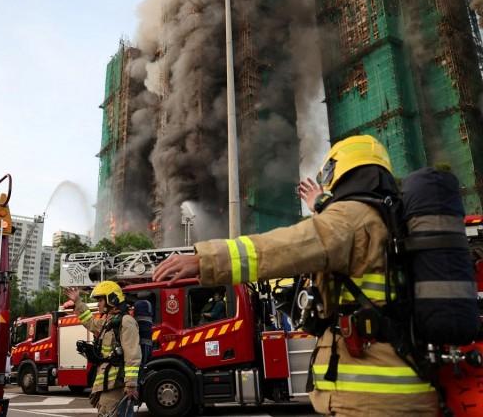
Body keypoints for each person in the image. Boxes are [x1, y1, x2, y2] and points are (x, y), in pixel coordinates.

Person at [152, 135, 438, 416]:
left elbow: (283, 248)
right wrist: (321, 204)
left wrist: (206, 260)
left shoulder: (351, 218)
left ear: (341, 172)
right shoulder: (397, 220)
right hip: (410, 380)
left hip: (368, 396)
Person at [65, 281, 141, 417]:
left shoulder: (126, 321)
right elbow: (90, 322)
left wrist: (130, 384)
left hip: (116, 386)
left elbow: (132, 354)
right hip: (107, 384)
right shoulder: (109, 322)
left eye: (100, 300)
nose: (98, 303)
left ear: (111, 299)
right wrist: (77, 301)